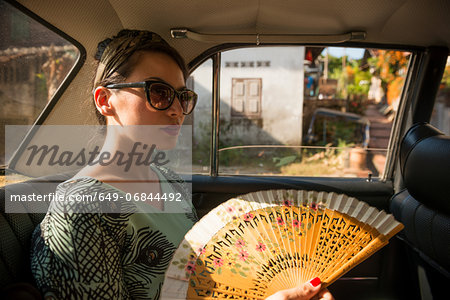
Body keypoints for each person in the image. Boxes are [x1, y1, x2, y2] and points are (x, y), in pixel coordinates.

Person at [30, 29, 333, 300]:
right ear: (105, 100)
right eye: (159, 92)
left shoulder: (169, 182)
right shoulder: (81, 207)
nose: (177, 110)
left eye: (183, 95)